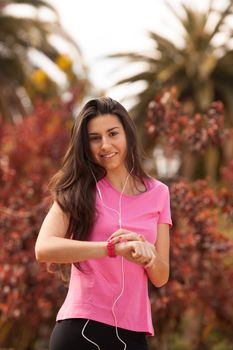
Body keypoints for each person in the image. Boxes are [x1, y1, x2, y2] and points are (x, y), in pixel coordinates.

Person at [35, 97, 173, 350]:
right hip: (81, 328)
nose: (105, 145)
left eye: (112, 134)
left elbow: (161, 276)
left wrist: (148, 255)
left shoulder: (159, 193)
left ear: (128, 135)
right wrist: (111, 249)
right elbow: (44, 248)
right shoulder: (79, 189)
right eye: (95, 138)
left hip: (133, 332)